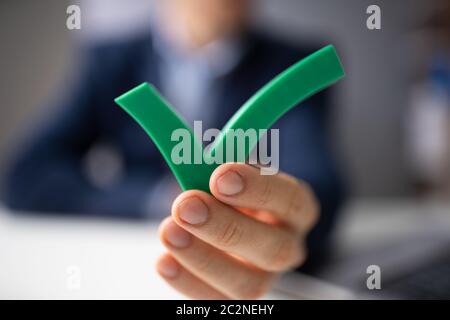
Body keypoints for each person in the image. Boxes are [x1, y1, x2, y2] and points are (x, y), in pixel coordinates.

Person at [2, 0, 345, 299]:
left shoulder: (289, 61)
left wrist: (288, 218)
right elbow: (27, 175)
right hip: (122, 266)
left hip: (265, 279)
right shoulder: (108, 61)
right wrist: (156, 199)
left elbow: (316, 177)